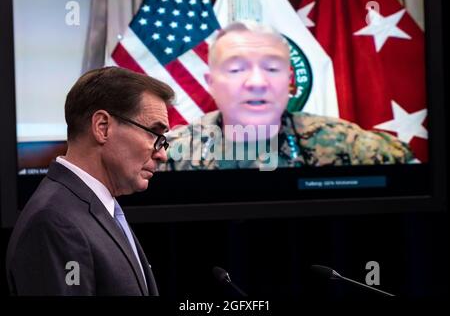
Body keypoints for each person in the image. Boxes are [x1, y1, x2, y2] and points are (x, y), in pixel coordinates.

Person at [6, 67, 174, 295]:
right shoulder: (55, 222)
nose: (162, 154)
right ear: (102, 127)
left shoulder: (99, 208)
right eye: (154, 133)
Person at [160, 21, 414, 171]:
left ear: (290, 81)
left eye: (272, 68)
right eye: (236, 69)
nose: (257, 82)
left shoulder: (342, 143)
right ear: (212, 84)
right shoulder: (168, 154)